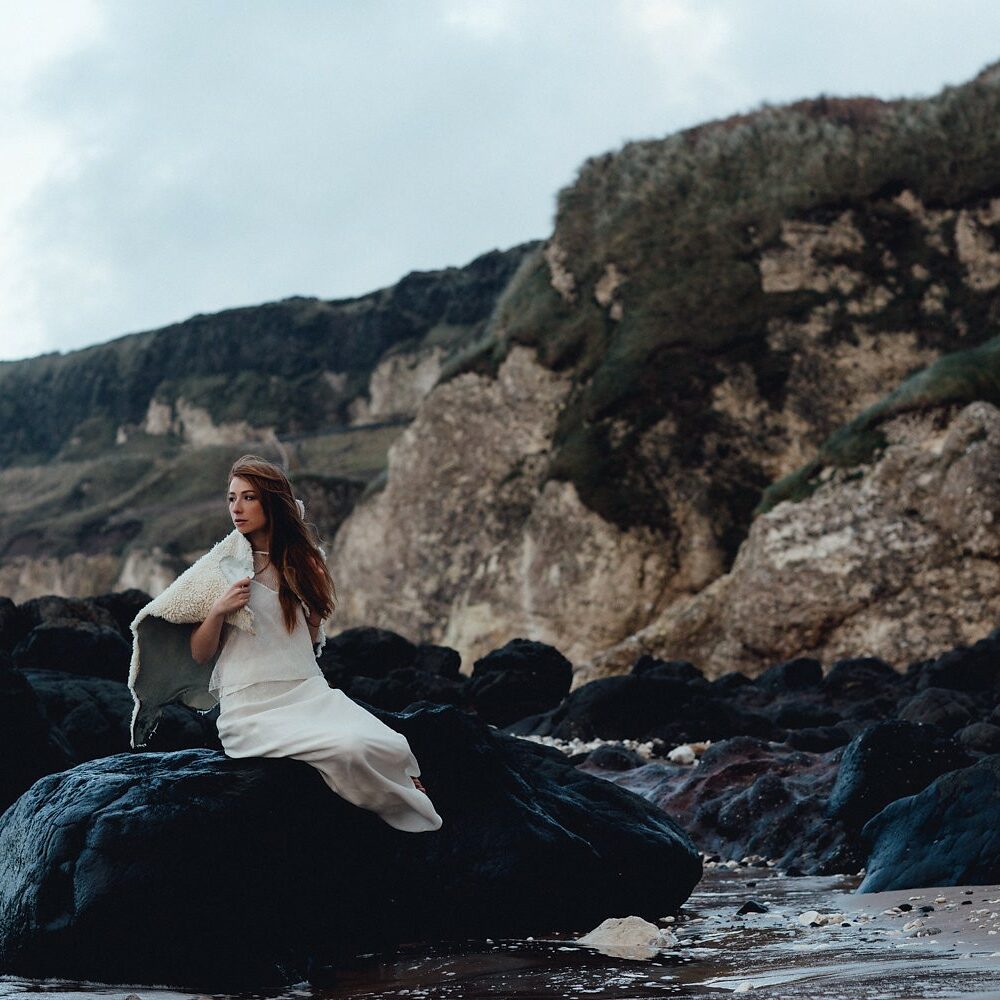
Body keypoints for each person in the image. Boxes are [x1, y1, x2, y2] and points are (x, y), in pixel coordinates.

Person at [129, 454, 442, 834]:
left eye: (249, 498)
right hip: (251, 710)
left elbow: (306, 642)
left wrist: (312, 616)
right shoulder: (221, 568)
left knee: (390, 743)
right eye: (231, 498)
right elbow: (200, 653)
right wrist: (218, 611)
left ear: (272, 502)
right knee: (348, 750)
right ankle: (409, 814)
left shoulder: (305, 561)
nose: (237, 508)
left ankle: (408, 792)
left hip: (306, 692)